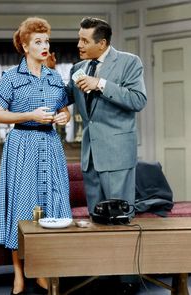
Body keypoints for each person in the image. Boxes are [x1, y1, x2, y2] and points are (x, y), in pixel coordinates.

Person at [0, 17, 72, 295]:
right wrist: (29, 115)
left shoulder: (54, 76)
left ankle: (44, 272)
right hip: (22, 144)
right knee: (22, 209)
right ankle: (19, 275)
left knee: (52, 206)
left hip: (50, 145)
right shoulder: (11, 77)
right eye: (38, 41)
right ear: (25, 46)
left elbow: (65, 109)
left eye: (46, 40)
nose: (44, 45)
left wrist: (63, 116)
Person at [66, 16, 147, 294]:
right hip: (90, 154)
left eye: (84, 40)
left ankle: (127, 279)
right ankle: (102, 272)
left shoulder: (129, 62)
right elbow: (65, 98)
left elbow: (138, 100)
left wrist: (100, 84)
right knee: (96, 219)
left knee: (121, 219)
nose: (79, 44)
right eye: (79, 38)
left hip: (116, 153)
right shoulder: (77, 68)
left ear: (102, 43)